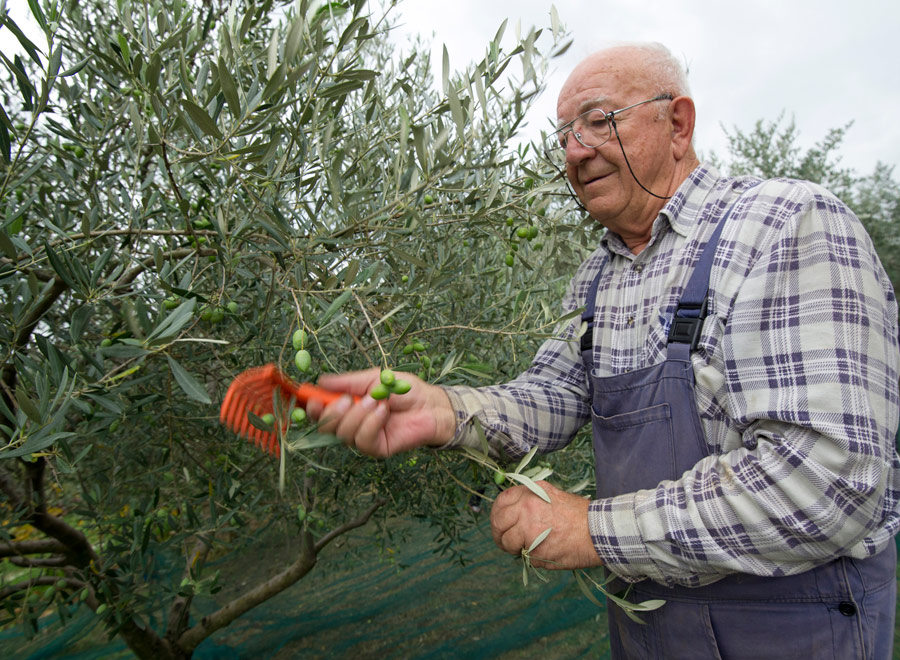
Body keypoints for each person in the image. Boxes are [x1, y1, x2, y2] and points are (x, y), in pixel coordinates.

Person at [306, 42, 900, 658]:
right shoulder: (598, 277)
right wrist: (445, 412)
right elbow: (554, 395)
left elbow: (830, 482)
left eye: (599, 119)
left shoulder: (783, 224)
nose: (575, 149)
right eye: (564, 133)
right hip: (653, 631)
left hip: (791, 630)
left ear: (677, 124)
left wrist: (593, 529)